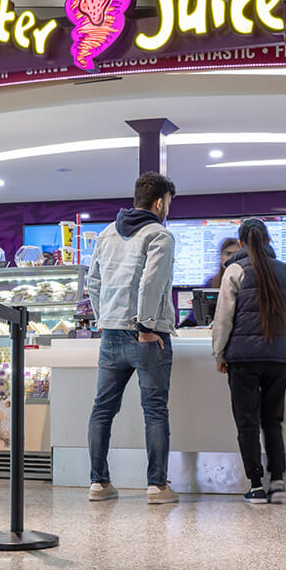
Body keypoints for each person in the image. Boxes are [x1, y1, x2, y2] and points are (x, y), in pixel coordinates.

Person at [84, 171, 179, 505]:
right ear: (159, 203)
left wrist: (104, 318)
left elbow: (93, 282)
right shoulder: (159, 235)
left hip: (110, 332)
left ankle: (98, 483)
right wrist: (146, 327)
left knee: (102, 409)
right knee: (154, 411)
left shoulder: (107, 233)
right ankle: (156, 487)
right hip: (147, 334)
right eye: (168, 202)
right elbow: (151, 283)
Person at [212, 219, 286, 504]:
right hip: (280, 355)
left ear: (241, 243)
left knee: (247, 423)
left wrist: (219, 353)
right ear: (268, 241)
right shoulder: (285, 271)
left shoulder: (235, 269)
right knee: (273, 421)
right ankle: (278, 483)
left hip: (244, 357)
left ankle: (256, 486)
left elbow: (223, 317)